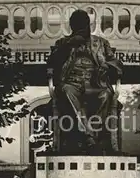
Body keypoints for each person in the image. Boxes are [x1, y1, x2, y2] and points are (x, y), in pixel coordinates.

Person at [47, 9, 123, 154]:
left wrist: (106, 66)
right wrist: (67, 45)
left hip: (95, 83)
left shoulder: (101, 43)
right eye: (77, 25)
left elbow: (116, 63)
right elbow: (51, 63)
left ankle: (89, 135)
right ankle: (90, 136)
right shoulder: (63, 42)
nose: (80, 28)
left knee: (106, 94)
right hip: (72, 83)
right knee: (67, 91)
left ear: (89, 25)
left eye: (83, 24)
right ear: (72, 26)